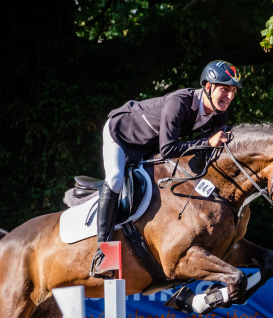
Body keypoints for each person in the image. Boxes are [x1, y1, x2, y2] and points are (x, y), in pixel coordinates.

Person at [90, 59, 242, 277]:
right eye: (224, 89)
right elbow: (170, 149)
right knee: (115, 178)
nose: (229, 96)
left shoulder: (219, 112)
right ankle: (102, 254)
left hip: (151, 145)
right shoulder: (179, 102)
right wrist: (208, 142)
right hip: (123, 134)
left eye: (233, 91)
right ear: (208, 87)